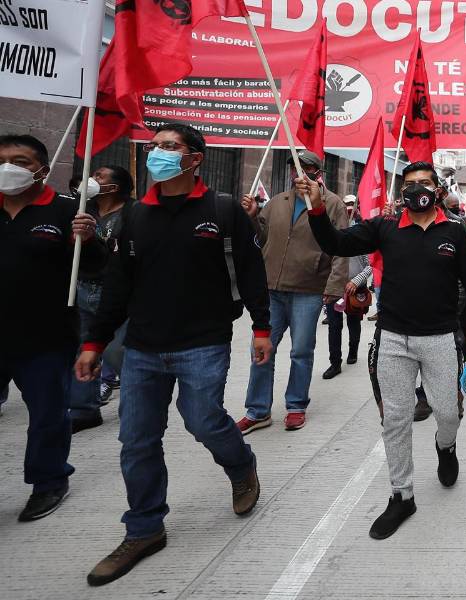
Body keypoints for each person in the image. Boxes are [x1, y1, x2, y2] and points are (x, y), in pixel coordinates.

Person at [75, 123, 272, 586]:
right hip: (143, 346)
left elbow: (250, 271)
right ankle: (144, 528)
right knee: (137, 439)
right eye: (153, 146)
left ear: (194, 158)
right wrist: (94, 342)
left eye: (168, 146)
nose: (156, 153)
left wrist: (262, 328)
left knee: (203, 420)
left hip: (204, 340)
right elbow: (118, 284)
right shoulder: (136, 216)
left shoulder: (222, 210)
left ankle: (240, 465)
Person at [307, 161, 466, 540]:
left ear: (438, 190)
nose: (417, 189)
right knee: (395, 419)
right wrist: (317, 208)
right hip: (393, 339)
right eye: (410, 184)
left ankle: (446, 447)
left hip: (441, 339)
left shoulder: (455, 233)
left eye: (424, 182)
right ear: (401, 191)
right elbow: (335, 243)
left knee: (448, 412)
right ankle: (402, 495)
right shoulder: (384, 228)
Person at [0, 134, 103, 522]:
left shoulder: (66, 211)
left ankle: (49, 481)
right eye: (2, 160)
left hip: (45, 336)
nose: (8, 168)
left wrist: (87, 240)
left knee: (47, 415)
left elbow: (96, 267)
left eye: (20, 161)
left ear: (42, 169)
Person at [238, 149, 349, 433]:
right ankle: (257, 410)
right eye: (295, 167)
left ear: (317, 172)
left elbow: (341, 247)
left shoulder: (332, 204)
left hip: (308, 290)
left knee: (301, 351)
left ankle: (296, 406)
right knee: (260, 349)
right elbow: (260, 238)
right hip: (271, 289)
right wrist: (252, 218)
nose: (299, 172)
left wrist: (334, 285)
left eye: (306, 167)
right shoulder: (277, 202)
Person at [68, 165, 134, 433]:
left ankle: (135, 409)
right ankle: (83, 409)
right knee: (83, 349)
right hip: (83, 287)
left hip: (117, 293)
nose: (92, 179)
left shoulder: (133, 214)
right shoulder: (82, 209)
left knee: (118, 352)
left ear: (114, 187)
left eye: (99, 176)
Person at [322, 195, 372, 379]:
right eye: (346, 205)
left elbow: (370, 266)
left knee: (353, 322)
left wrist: (355, 281)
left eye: (352, 205)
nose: (349, 208)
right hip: (335, 289)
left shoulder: (359, 236)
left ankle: (353, 351)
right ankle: (335, 363)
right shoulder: (328, 236)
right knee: (334, 326)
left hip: (355, 289)